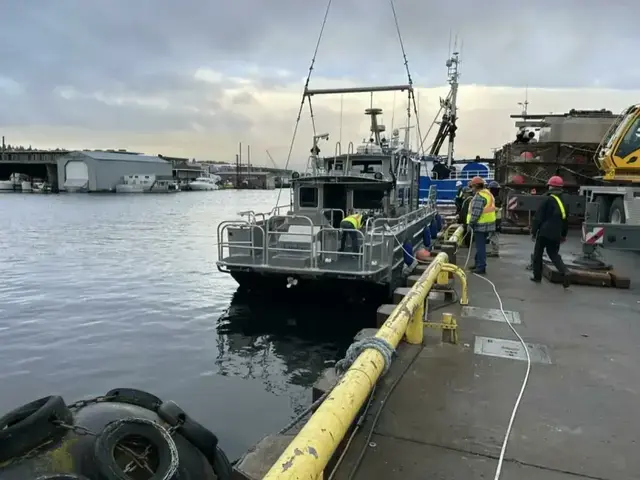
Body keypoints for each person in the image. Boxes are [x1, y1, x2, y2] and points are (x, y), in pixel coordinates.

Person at [530, 175, 570, 288]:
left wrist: (534, 232)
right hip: (557, 232)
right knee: (553, 254)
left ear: (550, 186)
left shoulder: (547, 199)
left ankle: (537, 277)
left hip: (544, 232)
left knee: (538, 254)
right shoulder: (564, 201)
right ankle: (565, 271)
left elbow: (538, 217)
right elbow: (565, 220)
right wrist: (563, 235)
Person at [466, 176, 496, 274]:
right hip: (488, 224)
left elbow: (476, 212)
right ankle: (477, 263)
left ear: (475, 186)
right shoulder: (488, 193)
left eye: (472, 187)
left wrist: (471, 223)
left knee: (480, 247)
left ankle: (481, 267)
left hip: (481, 225)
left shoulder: (479, 196)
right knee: (480, 246)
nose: (471, 189)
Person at [487, 181, 502, 257]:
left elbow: (494, 209)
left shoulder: (496, 198)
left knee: (494, 236)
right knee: (492, 235)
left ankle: (495, 252)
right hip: (495, 219)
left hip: (495, 220)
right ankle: (494, 250)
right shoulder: (495, 198)